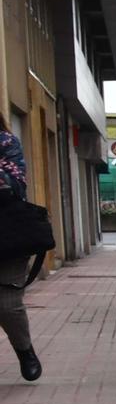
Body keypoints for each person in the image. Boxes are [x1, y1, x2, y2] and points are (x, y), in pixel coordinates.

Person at [0, 124, 40, 381]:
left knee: (7, 306)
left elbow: (15, 186)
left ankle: (25, 351)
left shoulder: (6, 143)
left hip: (7, 236)